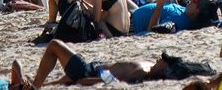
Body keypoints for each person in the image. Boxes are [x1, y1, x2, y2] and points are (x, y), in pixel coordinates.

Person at [29, 39, 172, 87]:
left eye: (163, 60)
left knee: (55, 45)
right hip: (95, 67)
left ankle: (35, 86)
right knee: (63, 81)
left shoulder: (143, 73)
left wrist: (89, 80)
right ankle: (43, 85)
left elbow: (118, 81)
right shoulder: (149, 65)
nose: (160, 59)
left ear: (165, 67)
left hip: (91, 72)